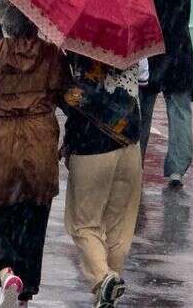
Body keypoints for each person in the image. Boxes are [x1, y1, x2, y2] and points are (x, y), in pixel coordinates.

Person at [0, 0, 68, 308]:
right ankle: (24, 295)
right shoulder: (50, 56)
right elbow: (67, 95)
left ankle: (5, 272)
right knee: (33, 221)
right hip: (39, 144)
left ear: (5, 21)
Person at [60, 54, 146, 308]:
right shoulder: (131, 51)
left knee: (85, 224)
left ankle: (104, 277)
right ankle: (109, 294)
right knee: (119, 228)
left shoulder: (84, 51)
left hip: (92, 146)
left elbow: (76, 100)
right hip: (130, 143)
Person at [139, 0, 193, 187]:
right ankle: (177, 169)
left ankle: (135, 162)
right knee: (179, 112)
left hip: (152, 55)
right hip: (180, 56)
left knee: (142, 113)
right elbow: (179, 21)